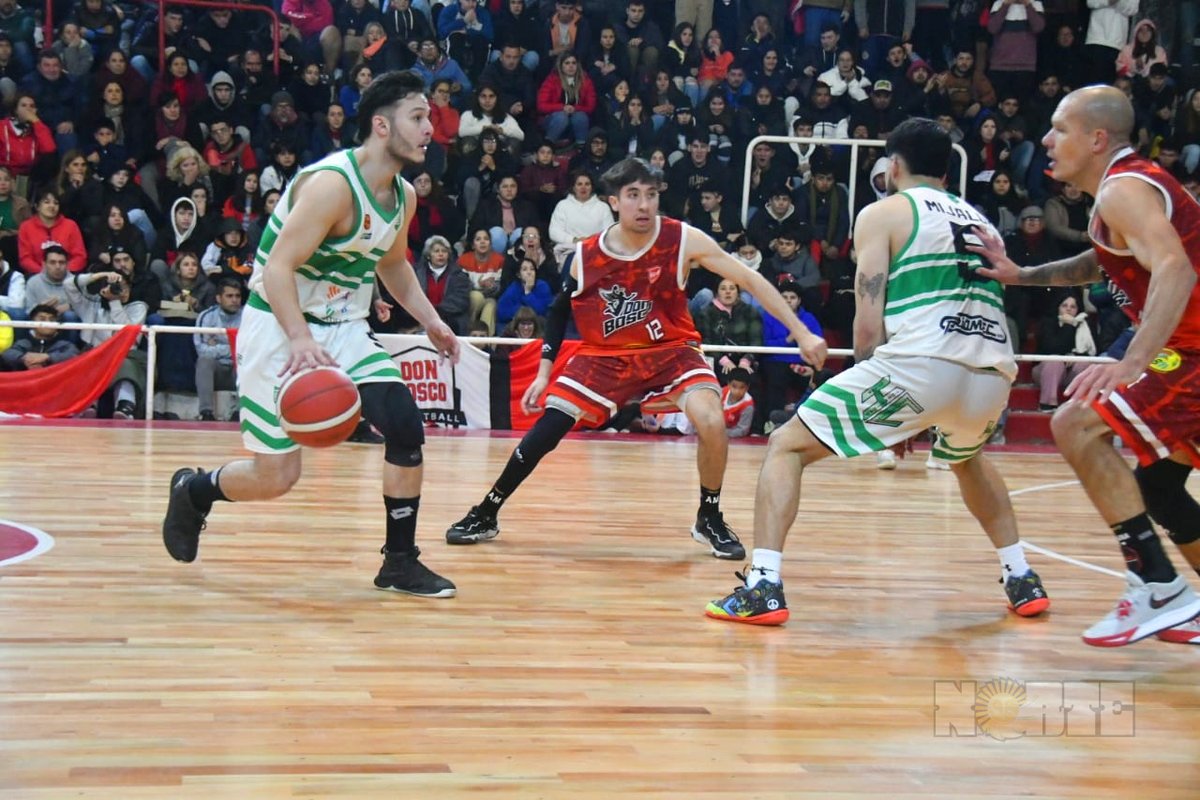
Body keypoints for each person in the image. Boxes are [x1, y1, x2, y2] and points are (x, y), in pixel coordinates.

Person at [706, 117, 1050, 625]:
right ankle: (1021, 575)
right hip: (992, 370)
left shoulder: (884, 212)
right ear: (946, 171)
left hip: (921, 364)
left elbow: (868, 320)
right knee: (968, 457)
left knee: (786, 446)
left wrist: (887, 404)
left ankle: (763, 585)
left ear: (892, 166)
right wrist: (904, 417)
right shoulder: (980, 221)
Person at [161, 70, 459, 598]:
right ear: (381, 126)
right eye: (417, 117)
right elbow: (277, 270)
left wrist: (432, 320)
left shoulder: (403, 196)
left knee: (406, 426)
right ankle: (195, 490)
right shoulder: (332, 186)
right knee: (277, 477)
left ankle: (399, 561)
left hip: (343, 326)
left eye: (429, 118)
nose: (428, 128)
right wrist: (299, 339)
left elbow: (393, 265)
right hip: (280, 323)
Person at [444, 157, 827, 559]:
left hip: (671, 351)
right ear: (613, 201)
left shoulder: (682, 239)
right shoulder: (585, 255)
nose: (644, 205)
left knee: (712, 419)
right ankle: (487, 510)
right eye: (633, 196)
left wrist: (800, 332)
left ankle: (709, 515)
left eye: (651, 195)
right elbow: (559, 311)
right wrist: (543, 372)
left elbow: (748, 278)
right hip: (606, 355)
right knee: (549, 427)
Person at [968, 86, 1200, 647]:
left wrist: (1131, 360)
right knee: (1158, 486)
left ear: (1097, 139)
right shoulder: (1121, 195)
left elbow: (1174, 268)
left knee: (1074, 422)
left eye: (1059, 128)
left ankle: (1160, 584)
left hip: (1190, 350)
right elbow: (1104, 260)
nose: (1046, 140)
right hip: (1187, 347)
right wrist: (1021, 276)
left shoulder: (1123, 188)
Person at [193, 278, 243, 421]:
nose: (234, 300)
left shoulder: (249, 316)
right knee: (204, 361)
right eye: (229, 296)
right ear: (218, 298)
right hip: (217, 371)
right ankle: (206, 412)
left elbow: (252, 349)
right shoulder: (207, 316)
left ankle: (240, 412)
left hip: (238, 367)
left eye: (237, 296)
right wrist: (234, 346)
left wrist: (216, 346)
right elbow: (202, 350)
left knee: (247, 360)